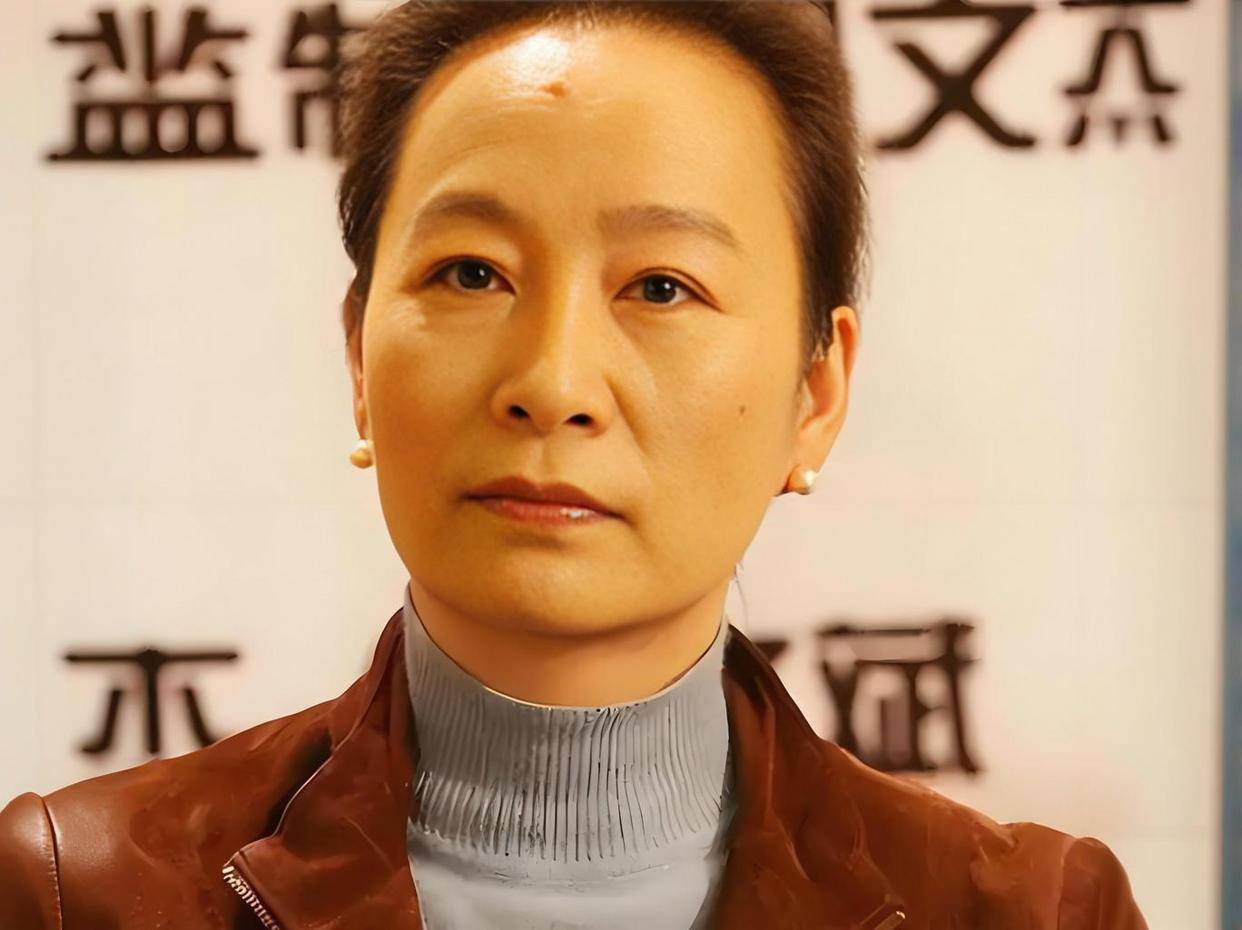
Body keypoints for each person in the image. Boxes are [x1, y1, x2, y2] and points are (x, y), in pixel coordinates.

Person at [0, 2, 1148, 928]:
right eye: (471, 274)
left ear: (816, 393)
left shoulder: (1029, 913)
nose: (551, 382)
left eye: (661, 287)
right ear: (357, 355)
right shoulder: (80, 893)